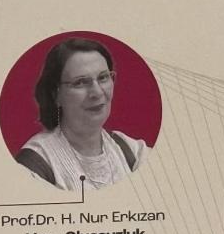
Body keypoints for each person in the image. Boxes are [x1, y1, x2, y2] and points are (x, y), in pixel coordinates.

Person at [15, 38, 148, 190]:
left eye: (103, 77)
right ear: (55, 95)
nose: (97, 92)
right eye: (80, 82)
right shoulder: (35, 165)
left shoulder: (133, 151)